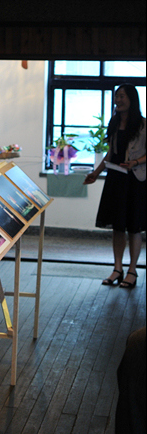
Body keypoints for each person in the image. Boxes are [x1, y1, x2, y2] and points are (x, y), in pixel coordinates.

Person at [83, 84, 146, 289]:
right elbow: (110, 153)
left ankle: (132, 270)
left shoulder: (143, 125)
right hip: (116, 179)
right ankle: (117, 269)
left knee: (133, 227)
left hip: (135, 180)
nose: (117, 100)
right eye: (116, 96)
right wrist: (96, 172)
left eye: (122, 96)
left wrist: (135, 163)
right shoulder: (114, 122)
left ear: (132, 99)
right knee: (117, 226)